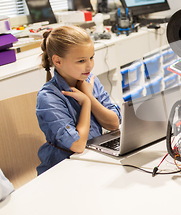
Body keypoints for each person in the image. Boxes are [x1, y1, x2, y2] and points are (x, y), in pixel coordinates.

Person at [36, 25, 121, 174]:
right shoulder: (48, 97)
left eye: (91, 57)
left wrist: (89, 97)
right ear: (58, 61)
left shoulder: (89, 81)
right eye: (81, 61)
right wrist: (87, 104)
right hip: (63, 168)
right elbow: (78, 145)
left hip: (93, 159)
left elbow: (114, 124)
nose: (89, 65)